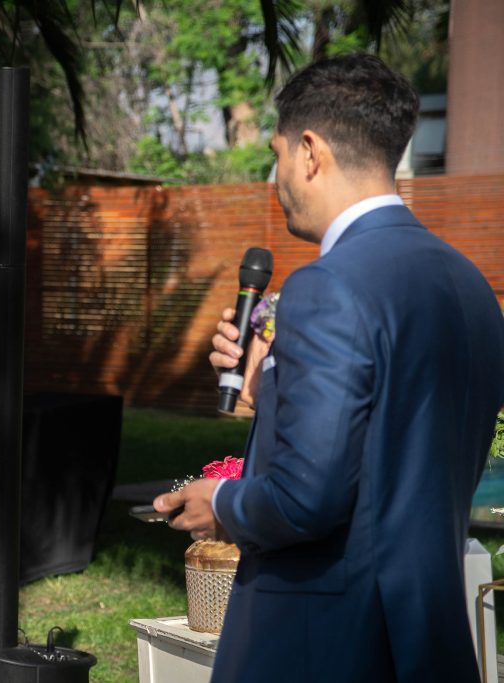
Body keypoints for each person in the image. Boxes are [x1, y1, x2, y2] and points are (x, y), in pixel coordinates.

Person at [155, 54, 504, 682]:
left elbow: (306, 500)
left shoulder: (327, 284)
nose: (276, 176)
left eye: (277, 154)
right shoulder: (470, 286)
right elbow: (398, 444)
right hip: (428, 638)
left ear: (310, 152)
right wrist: (271, 394)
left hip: (325, 643)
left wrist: (223, 502)